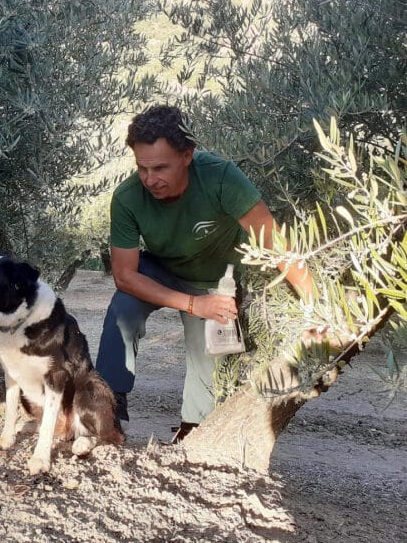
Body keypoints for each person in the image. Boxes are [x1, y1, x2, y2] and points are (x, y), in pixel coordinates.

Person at [95, 105, 314, 443]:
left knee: (208, 350)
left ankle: (193, 432)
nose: (150, 179)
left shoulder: (220, 177)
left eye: (160, 167)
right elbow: (125, 275)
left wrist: (317, 308)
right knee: (124, 307)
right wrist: (194, 304)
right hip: (161, 270)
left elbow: (277, 247)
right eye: (142, 168)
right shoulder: (127, 198)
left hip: (218, 279)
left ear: (188, 155)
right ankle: (106, 410)